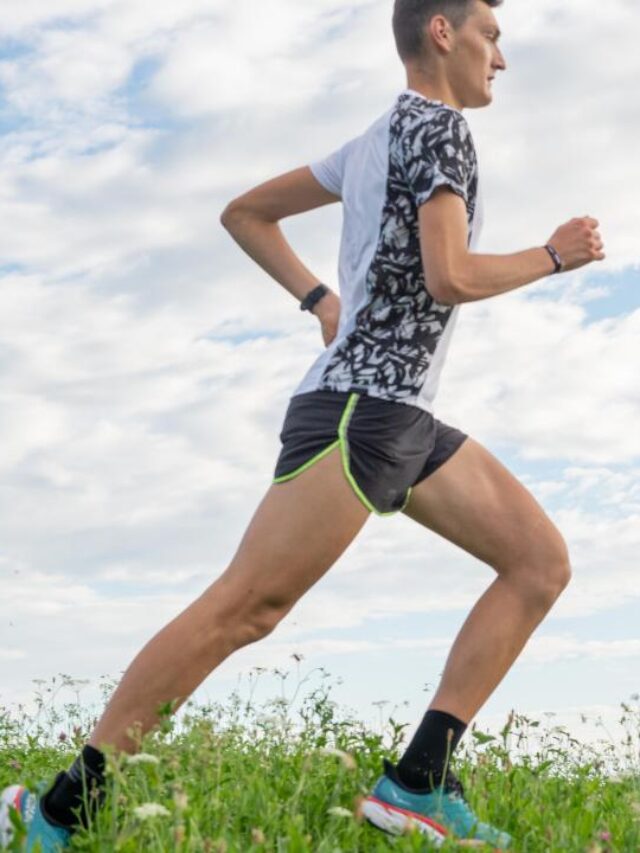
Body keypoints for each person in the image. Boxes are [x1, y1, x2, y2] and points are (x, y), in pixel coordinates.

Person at [1, 0, 606, 849]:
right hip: (360, 411)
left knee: (538, 562)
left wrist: (323, 301)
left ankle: (419, 782)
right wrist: (553, 255)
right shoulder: (440, 131)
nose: (499, 58)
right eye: (491, 36)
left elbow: (244, 212)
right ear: (443, 31)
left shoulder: (371, 141)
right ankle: (61, 808)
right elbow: (449, 275)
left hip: (404, 415)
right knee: (246, 607)